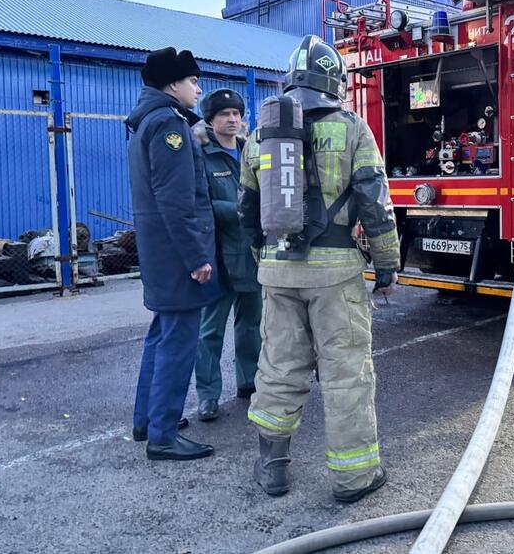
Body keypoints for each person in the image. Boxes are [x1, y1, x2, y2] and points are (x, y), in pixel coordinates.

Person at [238, 35, 401, 502]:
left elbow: (246, 211)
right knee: (346, 372)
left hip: (276, 270)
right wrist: (387, 266)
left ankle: (272, 470)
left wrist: (264, 263)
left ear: (290, 82)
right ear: (336, 83)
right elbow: (375, 201)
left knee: (278, 368)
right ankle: (354, 478)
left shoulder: (258, 135)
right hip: (335, 276)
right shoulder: (352, 128)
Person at [125, 46, 221, 461]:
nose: (198, 88)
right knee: (179, 342)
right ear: (172, 84)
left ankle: (148, 420)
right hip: (176, 252)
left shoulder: (147, 120)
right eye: (193, 81)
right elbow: (178, 201)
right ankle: (163, 434)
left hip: (159, 250)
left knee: (160, 336)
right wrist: (197, 257)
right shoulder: (169, 126)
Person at [192, 89, 262, 422]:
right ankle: (208, 395)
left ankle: (249, 383)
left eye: (236, 113)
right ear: (210, 120)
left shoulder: (251, 151)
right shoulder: (201, 156)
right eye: (224, 115)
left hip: (251, 253)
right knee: (211, 331)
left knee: (251, 324)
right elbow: (199, 203)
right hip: (218, 256)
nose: (232, 119)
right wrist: (241, 210)